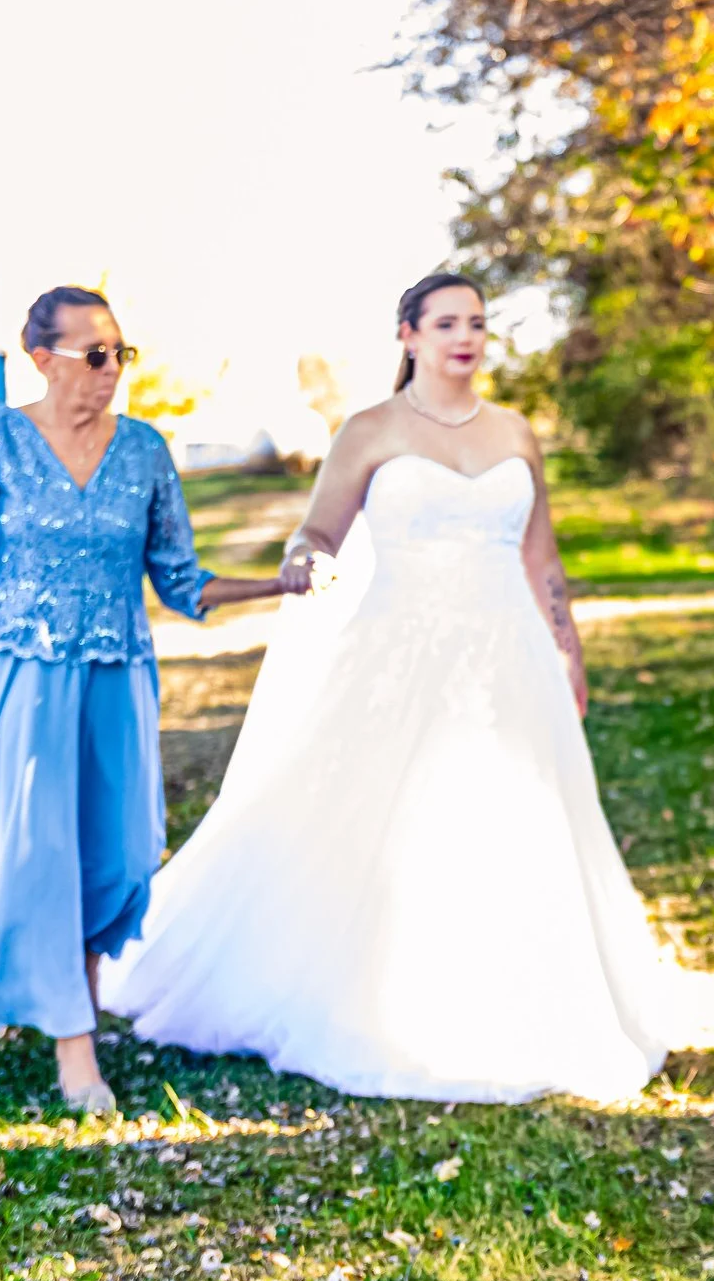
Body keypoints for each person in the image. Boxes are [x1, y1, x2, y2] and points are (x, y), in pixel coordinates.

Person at [99, 273, 682, 1103]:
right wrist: (303, 559)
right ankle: (370, 992)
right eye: (447, 322)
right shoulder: (369, 430)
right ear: (407, 334)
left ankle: (516, 996)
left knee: (517, 817)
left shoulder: (515, 431)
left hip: (507, 652)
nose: (466, 337)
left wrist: (568, 645)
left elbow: (540, 554)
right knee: (377, 817)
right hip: (398, 650)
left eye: (477, 322)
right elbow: (319, 529)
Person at [0, 286, 291, 1114]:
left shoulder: (145, 451)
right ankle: (74, 1045)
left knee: (121, 855)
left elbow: (179, 580)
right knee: (44, 855)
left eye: (120, 353)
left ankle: (76, 1001)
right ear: (42, 358)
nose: (111, 370)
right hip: (23, 674)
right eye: (94, 354)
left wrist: (279, 582)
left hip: (118, 675)